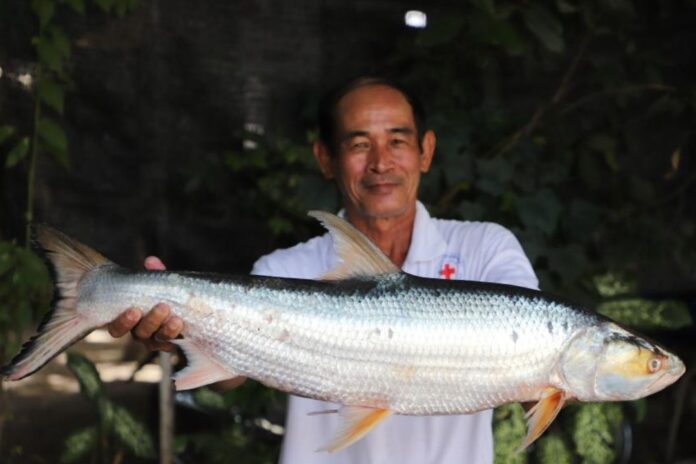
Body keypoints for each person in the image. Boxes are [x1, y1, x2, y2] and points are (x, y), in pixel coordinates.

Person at [108, 76, 538, 463]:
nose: (380, 162)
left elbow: (537, 358)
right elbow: (229, 377)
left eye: (397, 141)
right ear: (325, 158)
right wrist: (180, 332)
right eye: (358, 144)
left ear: (425, 151)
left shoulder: (487, 248)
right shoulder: (284, 268)